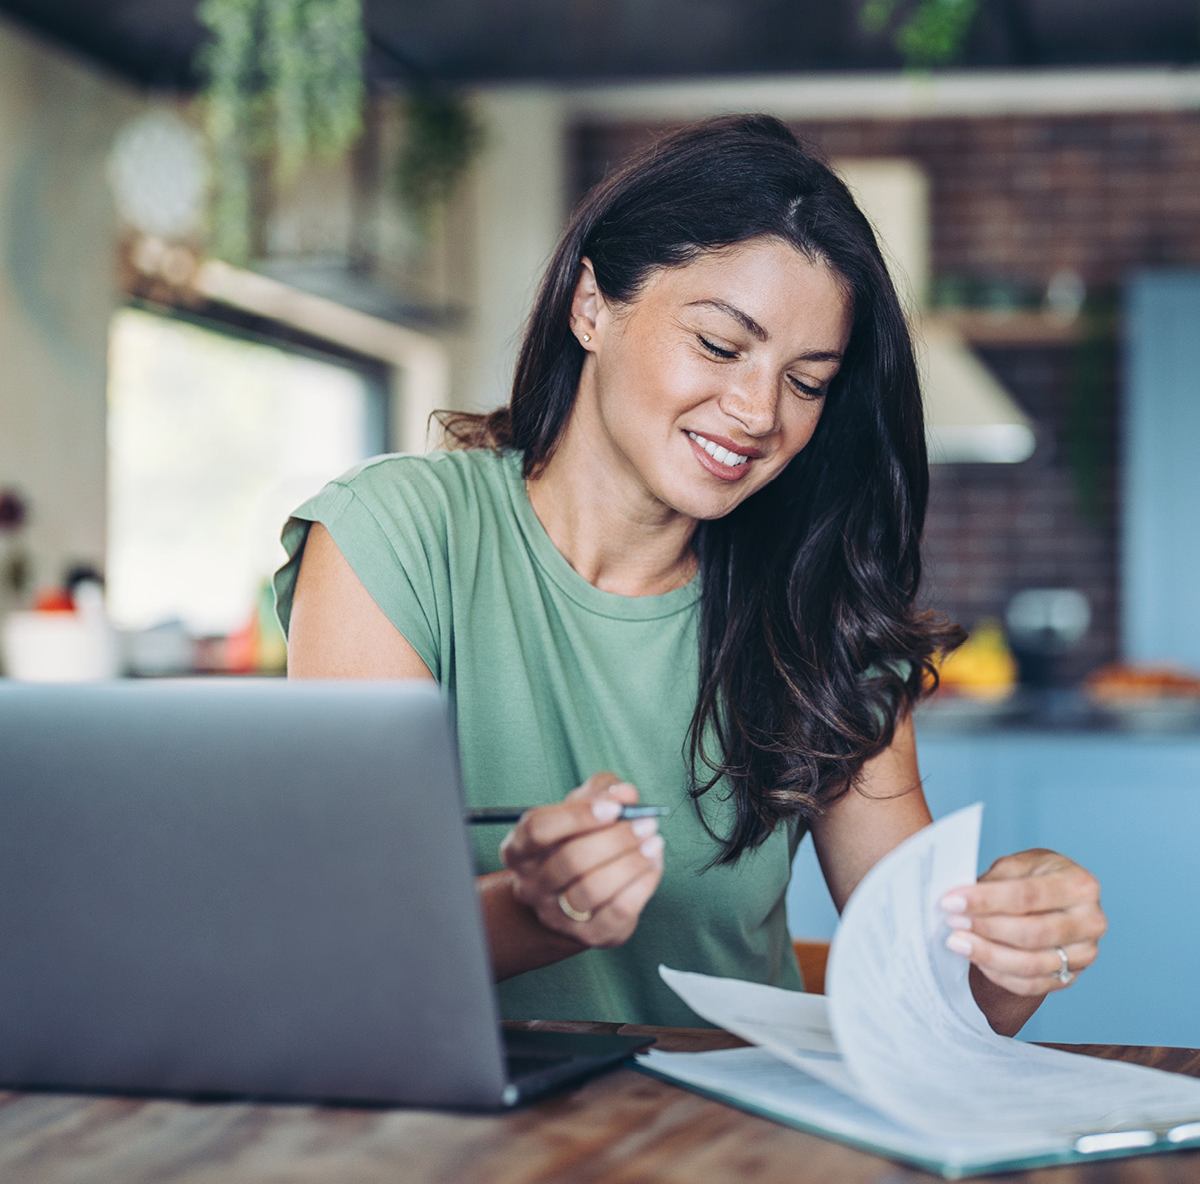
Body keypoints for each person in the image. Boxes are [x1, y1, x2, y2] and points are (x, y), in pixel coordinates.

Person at [274, 114, 1106, 1032]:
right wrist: (532, 913)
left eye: (808, 381)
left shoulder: (820, 612)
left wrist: (1019, 949)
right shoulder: (392, 537)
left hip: (732, 1147)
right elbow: (343, 949)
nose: (757, 412)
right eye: (720, 345)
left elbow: (938, 1009)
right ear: (591, 305)